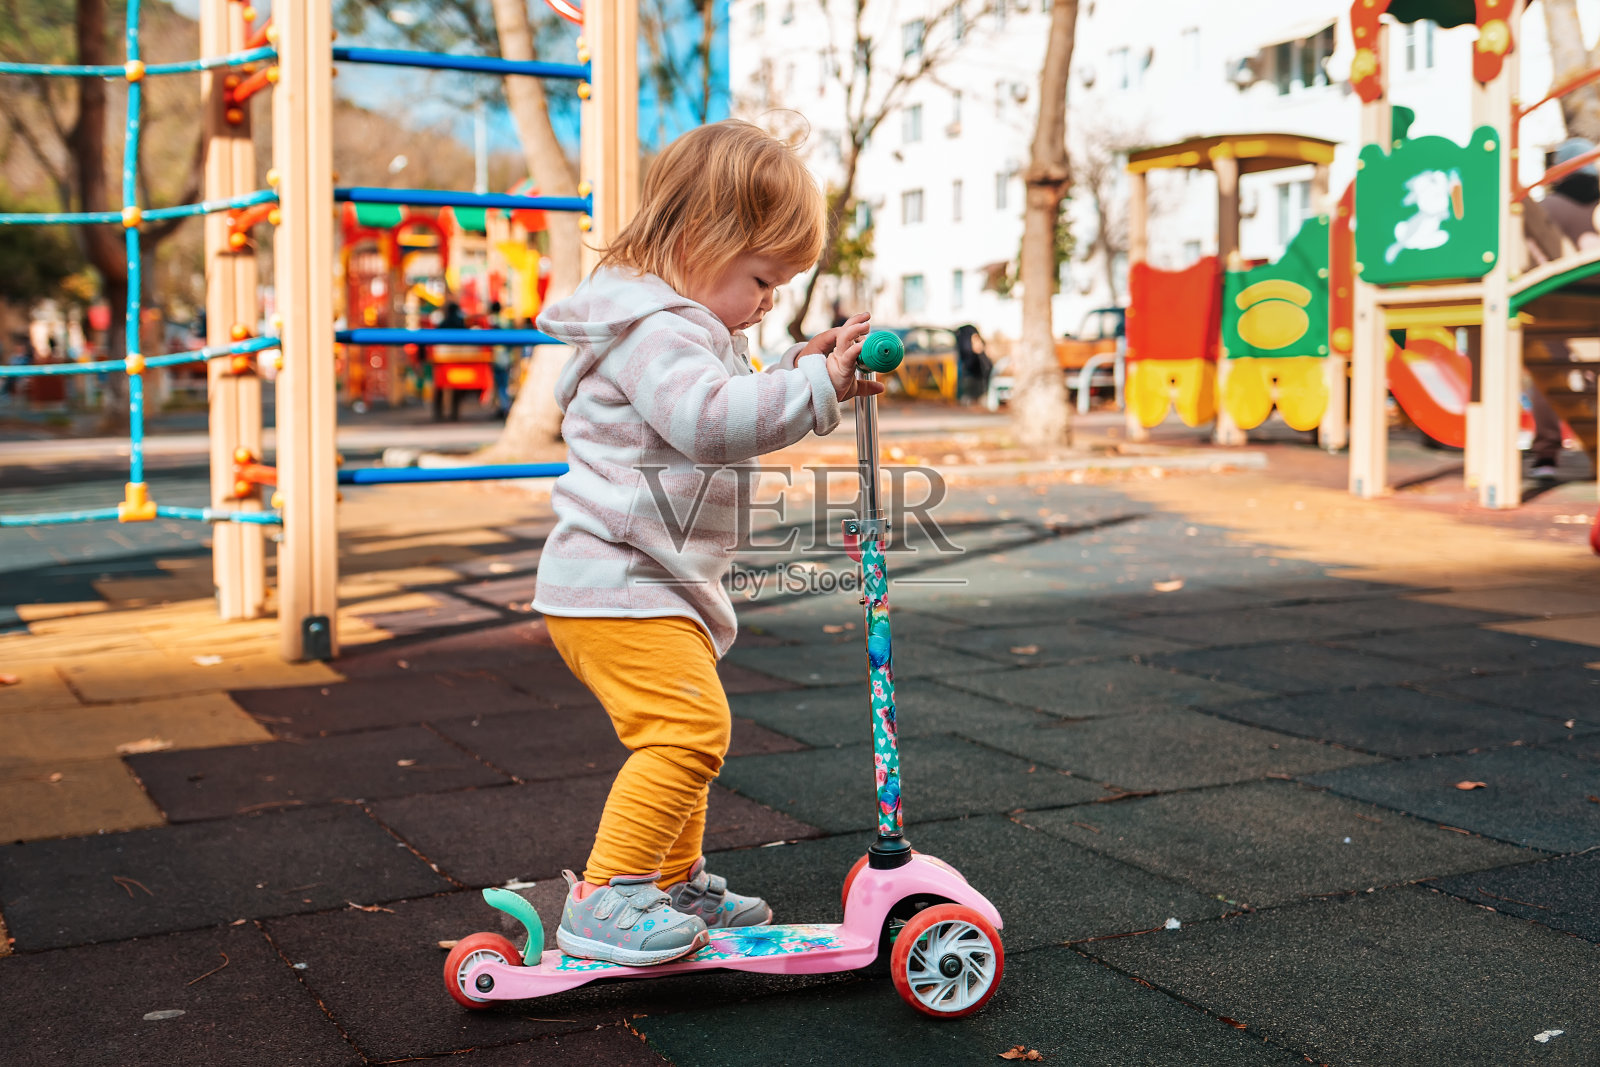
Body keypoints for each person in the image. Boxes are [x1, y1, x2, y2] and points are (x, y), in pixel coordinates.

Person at [533, 119, 878, 967]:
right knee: (688, 730)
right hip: (618, 581)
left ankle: (669, 881)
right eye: (762, 280)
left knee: (684, 731)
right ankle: (608, 896)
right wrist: (813, 384)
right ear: (698, 238)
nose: (768, 302)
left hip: (650, 581)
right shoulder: (655, 330)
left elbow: (725, 393)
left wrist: (795, 367)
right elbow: (710, 419)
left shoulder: (680, 328)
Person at [1526, 138, 1600, 478]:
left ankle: (1546, 453)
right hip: (1594, 305)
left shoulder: (1548, 207)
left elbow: (1532, 255)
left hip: (1554, 304)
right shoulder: (1596, 207)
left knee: (1546, 369)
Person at [955, 323, 991, 403]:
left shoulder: (980, 356)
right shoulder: (967, 350)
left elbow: (987, 367)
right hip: (971, 373)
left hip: (977, 374)